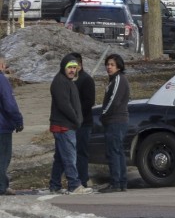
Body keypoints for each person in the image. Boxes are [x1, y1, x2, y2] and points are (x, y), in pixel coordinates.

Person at [48, 54, 86, 194]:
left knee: (60, 158)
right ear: (63, 67)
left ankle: (55, 184)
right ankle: (74, 184)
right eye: (69, 67)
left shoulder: (68, 81)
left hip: (67, 125)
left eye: (74, 68)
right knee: (70, 156)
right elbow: (64, 105)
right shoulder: (59, 82)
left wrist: (78, 119)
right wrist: (76, 119)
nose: (72, 70)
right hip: (63, 126)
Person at [99, 54, 130, 193]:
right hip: (115, 120)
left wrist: (104, 114)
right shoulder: (113, 80)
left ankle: (116, 182)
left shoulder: (119, 79)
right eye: (107, 64)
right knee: (118, 151)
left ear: (118, 66)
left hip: (116, 120)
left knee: (113, 152)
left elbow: (114, 100)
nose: (108, 67)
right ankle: (121, 182)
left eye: (111, 64)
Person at [70, 52, 95, 188]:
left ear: (80, 65)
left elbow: (89, 102)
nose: (72, 69)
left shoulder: (86, 80)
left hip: (84, 123)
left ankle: (83, 179)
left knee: (81, 152)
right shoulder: (71, 80)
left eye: (74, 66)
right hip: (72, 123)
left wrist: (76, 113)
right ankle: (74, 178)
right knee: (72, 152)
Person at [0, 56, 24, 196]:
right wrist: (18, 120)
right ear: (2, 65)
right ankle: (2, 186)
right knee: (3, 157)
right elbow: (9, 104)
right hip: (2, 126)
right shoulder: (2, 80)